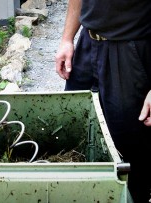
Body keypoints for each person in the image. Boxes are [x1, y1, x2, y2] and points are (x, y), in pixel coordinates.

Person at [55, 0, 151, 202]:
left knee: (130, 156)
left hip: (131, 49)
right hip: (87, 47)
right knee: (75, 135)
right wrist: (67, 38)